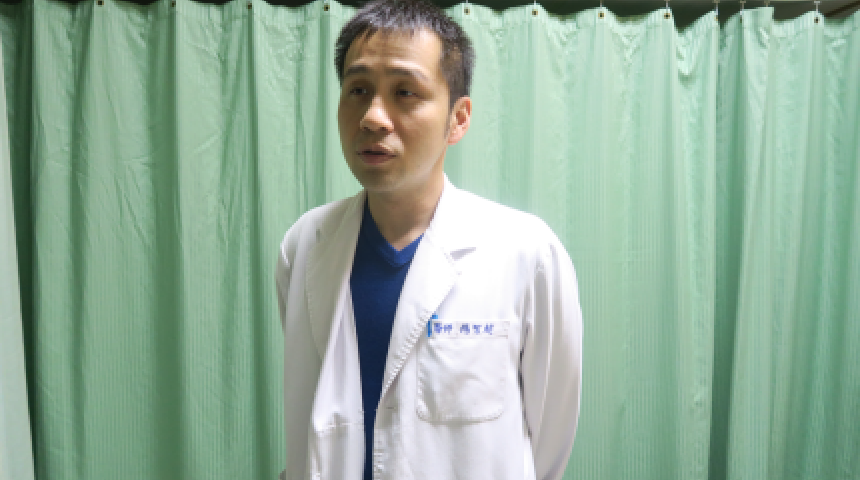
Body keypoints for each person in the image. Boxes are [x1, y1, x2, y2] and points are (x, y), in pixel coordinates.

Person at [275, 1, 582, 479]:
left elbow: (549, 443)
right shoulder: (305, 245)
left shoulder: (526, 253)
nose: (373, 117)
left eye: (405, 92)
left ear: (458, 119)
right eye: (358, 90)